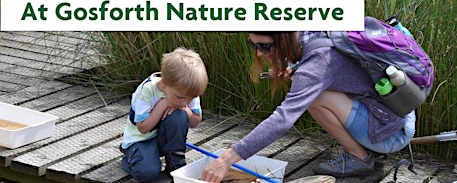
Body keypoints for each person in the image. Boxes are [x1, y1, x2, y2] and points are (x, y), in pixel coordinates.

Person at [201, 32, 415, 182]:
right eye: (254, 45)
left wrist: (227, 158)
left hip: (391, 131)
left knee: (315, 98)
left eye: (264, 46)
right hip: (400, 109)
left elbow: (282, 119)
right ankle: (364, 147)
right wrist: (298, 72)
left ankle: (360, 157)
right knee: (312, 91)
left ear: (283, 38)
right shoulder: (312, 30)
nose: (258, 53)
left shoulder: (318, 62)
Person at [120, 47, 208, 182]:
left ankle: (175, 162)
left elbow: (195, 121)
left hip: (163, 138)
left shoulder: (187, 91)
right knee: (148, 173)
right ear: (165, 83)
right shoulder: (147, 90)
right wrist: (164, 104)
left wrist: (184, 110)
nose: (185, 102)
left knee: (179, 115)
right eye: (180, 97)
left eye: (190, 98)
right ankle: (129, 158)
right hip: (142, 140)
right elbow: (142, 128)